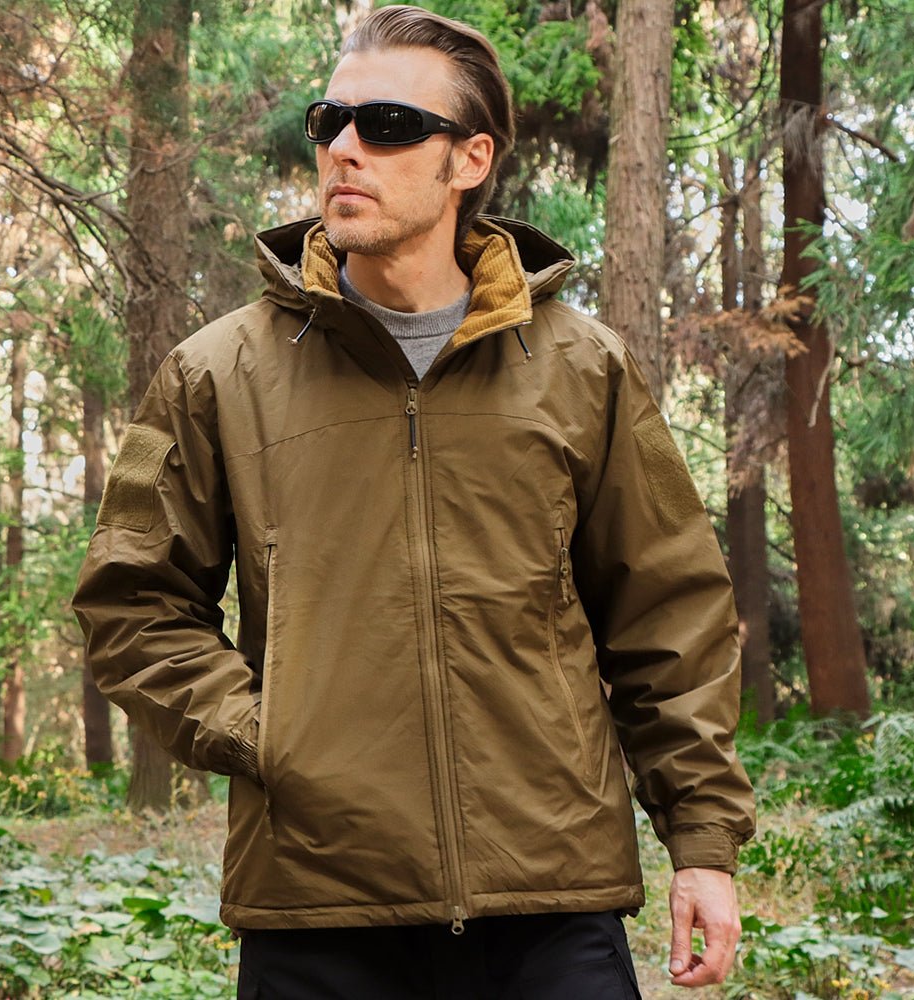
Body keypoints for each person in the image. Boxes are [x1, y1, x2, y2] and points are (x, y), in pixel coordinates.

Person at [73, 5, 756, 997]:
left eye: (389, 126)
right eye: (330, 122)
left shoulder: (580, 365)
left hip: (549, 903)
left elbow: (669, 613)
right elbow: (130, 604)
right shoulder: (217, 374)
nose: (345, 149)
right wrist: (269, 733)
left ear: (470, 159)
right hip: (318, 907)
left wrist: (701, 842)